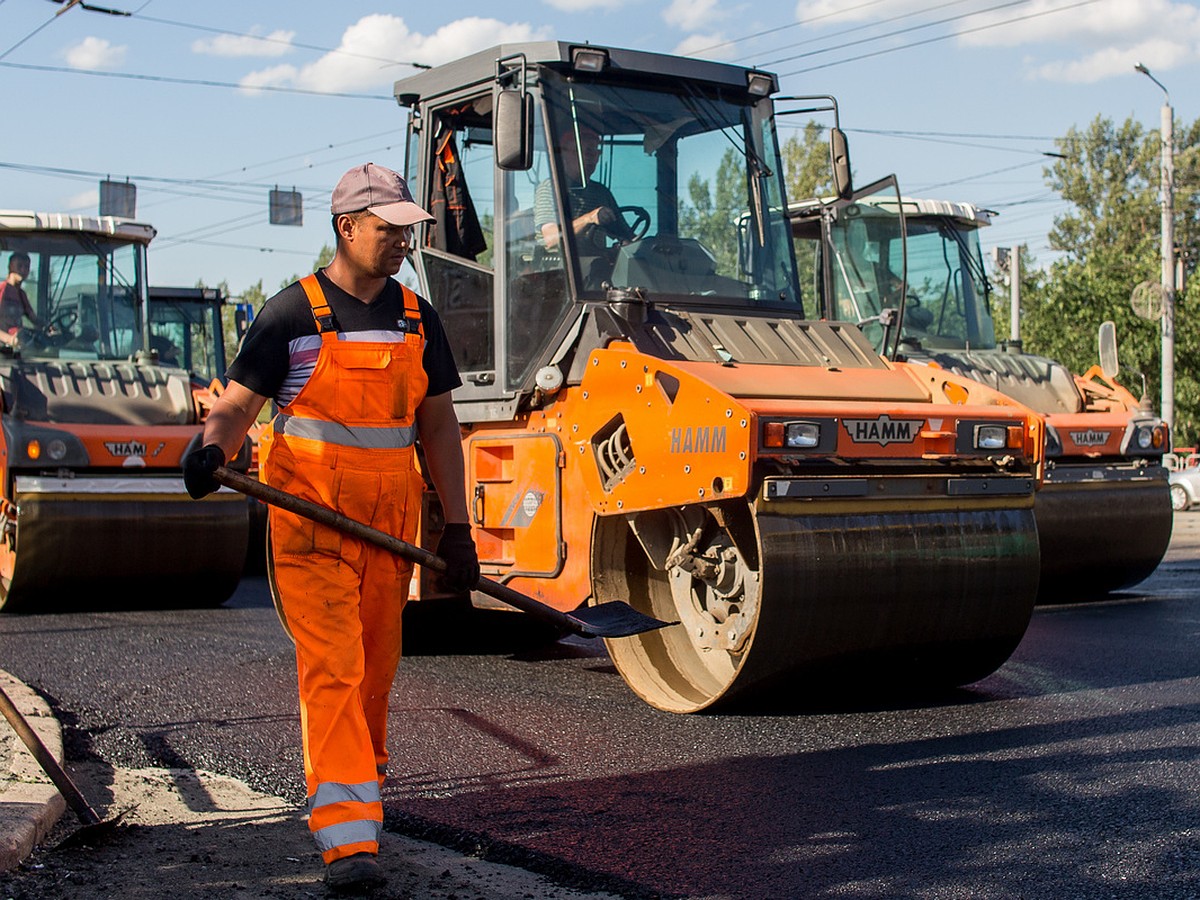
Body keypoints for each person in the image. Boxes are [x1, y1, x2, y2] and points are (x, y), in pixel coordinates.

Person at [181, 163, 479, 895]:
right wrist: (211, 447)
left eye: (410, 230)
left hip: (390, 530)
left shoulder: (417, 317)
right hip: (311, 528)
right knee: (335, 672)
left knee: (375, 675)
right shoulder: (290, 314)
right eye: (390, 229)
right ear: (347, 228)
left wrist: (460, 529)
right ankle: (346, 843)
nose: (403, 242)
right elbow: (239, 403)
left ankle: (360, 805)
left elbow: (437, 428)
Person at [533, 124, 635, 256]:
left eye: (594, 152)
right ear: (564, 154)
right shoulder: (551, 188)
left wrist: (630, 243)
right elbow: (551, 238)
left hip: (595, 267)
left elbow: (626, 235)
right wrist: (589, 218)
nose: (590, 157)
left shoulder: (601, 192)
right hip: (559, 268)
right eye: (583, 151)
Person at [0, 252, 40, 347]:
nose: (23, 270)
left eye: (26, 267)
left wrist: (49, 327)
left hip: (19, 344)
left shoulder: (21, 295)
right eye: (19, 266)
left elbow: (34, 318)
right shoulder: (2, 290)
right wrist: (9, 339)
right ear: (10, 266)